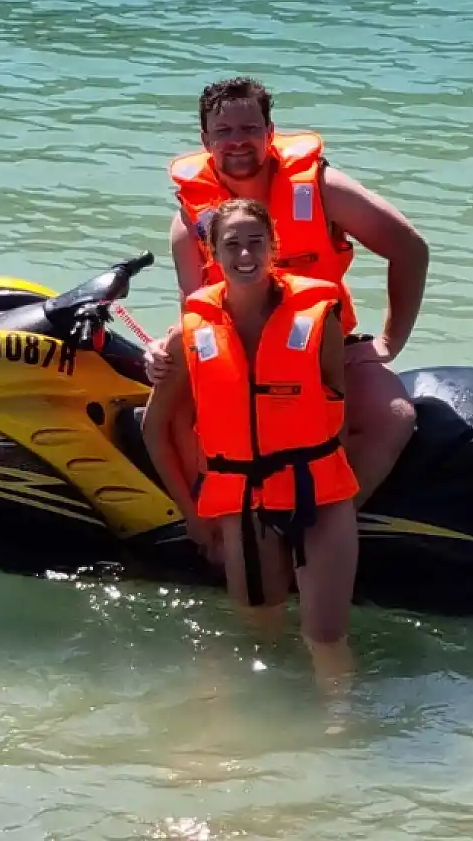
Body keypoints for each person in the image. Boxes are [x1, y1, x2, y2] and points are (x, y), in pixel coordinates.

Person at [147, 76, 429, 513]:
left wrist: (389, 343)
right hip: (236, 366)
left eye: (249, 129)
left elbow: (410, 249)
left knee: (393, 416)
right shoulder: (191, 220)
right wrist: (160, 351)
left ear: (270, 132)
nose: (237, 142)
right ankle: (212, 527)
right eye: (224, 132)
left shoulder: (321, 187)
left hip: (321, 355)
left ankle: (327, 523)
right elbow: (195, 309)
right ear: (205, 140)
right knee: (175, 416)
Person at [141, 197, 361, 689]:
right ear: (213, 255)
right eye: (232, 245)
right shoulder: (189, 334)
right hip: (243, 504)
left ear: (274, 247)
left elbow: (335, 404)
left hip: (318, 496)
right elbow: (154, 428)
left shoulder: (319, 316)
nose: (245, 255)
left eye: (256, 243)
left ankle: (341, 735)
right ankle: (256, 740)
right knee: (258, 638)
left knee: (326, 638)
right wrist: (195, 517)